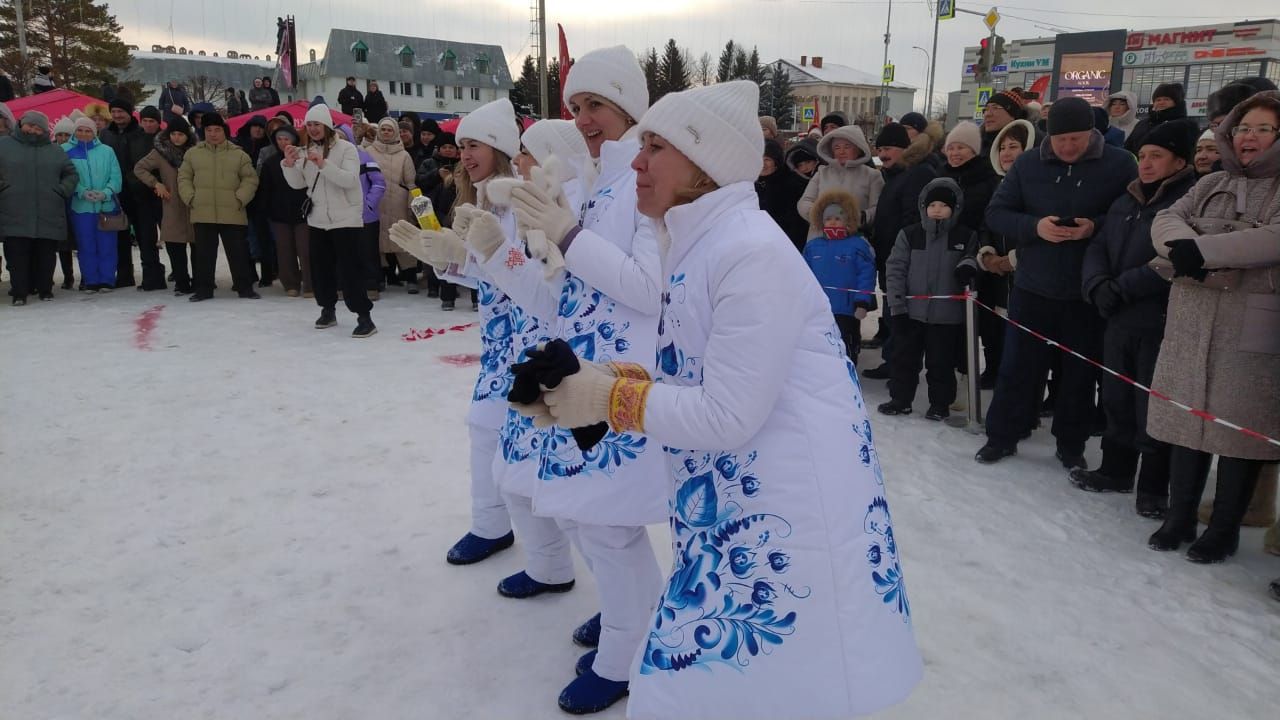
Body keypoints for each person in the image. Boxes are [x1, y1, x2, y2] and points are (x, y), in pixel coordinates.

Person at [521, 79, 922, 720]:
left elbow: (730, 411)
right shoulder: (696, 242)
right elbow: (699, 374)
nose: (637, 161)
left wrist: (611, 400)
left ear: (703, 165)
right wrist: (599, 382)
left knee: (717, 690)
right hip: (735, 504)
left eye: (655, 146)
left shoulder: (749, 252)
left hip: (785, 510)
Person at [460, 53, 668, 712]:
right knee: (586, 519)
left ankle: (631, 648)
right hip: (578, 370)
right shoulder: (599, 186)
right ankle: (628, 621)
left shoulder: (638, 186)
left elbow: (645, 288)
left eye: (594, 106)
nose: (581, 119)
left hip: (619, 375)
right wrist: (496, 256)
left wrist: (569, 235)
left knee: (605, 525)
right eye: (575, 107)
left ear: (629, 109)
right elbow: (560, 303)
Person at [1146, 91, 1280, 564]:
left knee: (1238, 432)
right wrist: (1184, 244)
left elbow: (1272, 237)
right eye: (1244, 128)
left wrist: (1203, 250)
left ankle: (1222, 530)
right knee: (1188, 423)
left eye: (1263, 129)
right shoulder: (1210, 182)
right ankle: (1179, 516)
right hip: (1192, 318)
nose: (1250, 137)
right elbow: (1167, 218)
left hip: (1250, 325)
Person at [976, 96, 1137, 467]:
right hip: (1033, 286)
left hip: (1085, 290)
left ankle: (1071, 445)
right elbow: (997, 212)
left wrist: (1094, 227)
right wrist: (1035, 228)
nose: (1067, 147)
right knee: (1017, 367)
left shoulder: (1118, 163)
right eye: (1061, 139)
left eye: (1076, 139)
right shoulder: (1029, 163)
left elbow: (1131, 215)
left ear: (1093, 134)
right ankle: (1002, 436)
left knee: (1078, 374)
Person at [1072, 118, 1200, 519]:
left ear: (1180, 160)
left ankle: (1152, 487)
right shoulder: (1126, 199)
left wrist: (1124, 286)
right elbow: (1098, 244)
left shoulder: (1189, 200)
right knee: (1116, 398)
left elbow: (1175, 258)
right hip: (1117, 317)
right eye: (1142, 155)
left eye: (1156, 156)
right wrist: (1096, 283)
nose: (1145, 164)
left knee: (1152, 405)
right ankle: (1116, 468)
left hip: (1158, 319)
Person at [879, 179, 977, 420]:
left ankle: (940, 404)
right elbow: (895, 269)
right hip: (911, 312)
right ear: (923, 206)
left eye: (943, 205)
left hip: (947, 316)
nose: (937, 209)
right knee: (904, 360)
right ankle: (900, 399)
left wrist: (968, 266)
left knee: (941, 363)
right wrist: (898, 306)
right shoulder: (909, 234)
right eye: (932, 204)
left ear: (955, 208)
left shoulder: (965, 235)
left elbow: (973, 258)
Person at [282, 104, 376, 337]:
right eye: (309, 125)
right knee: (320, 270)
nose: (313, 129)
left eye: (317, 124)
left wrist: (323, 163)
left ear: (327, 125)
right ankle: (327, 309)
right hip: (318, 220)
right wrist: (288, 165)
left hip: (346, 219)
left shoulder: (346, 149)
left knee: (350, 271)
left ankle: (364, 317)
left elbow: (348, 180)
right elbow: (297, 184)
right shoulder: (306, 150)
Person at [863, 122, 939, 377]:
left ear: (905, 149)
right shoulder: (896, 174)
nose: (883, 154)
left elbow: (912, 221)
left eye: (890, 148)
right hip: (890, 258)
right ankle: (893, 362)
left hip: (905, 260)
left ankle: (900, 368)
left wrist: (900, 255)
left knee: (902, 317)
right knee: (893, 314)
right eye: (880, 148)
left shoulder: (916, 174)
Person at [973, 119, 1036, 389]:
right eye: (1003, 147)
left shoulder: (1037, 185)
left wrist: (1012, 260)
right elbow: (986, 223)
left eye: (1014, 146)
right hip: (994, 270)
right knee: (992, 326)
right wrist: (987, 255)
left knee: (1021, 336)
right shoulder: (998, 184)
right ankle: (994, 369)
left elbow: (1038, 229)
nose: (1007, 153)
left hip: (1024, 272)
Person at [941, 120, 1002, 389]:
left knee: (983, 317)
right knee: (952, 312)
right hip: (945, 251)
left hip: (977, 251)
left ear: (974, 151)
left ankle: (989, 367)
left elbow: (989, 217)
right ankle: (956, 365)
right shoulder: (940, 175)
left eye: (961, 148)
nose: (955, 153)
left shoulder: (987, 178)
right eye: (951, 148)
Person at [178, 111, 260, 301]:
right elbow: (183, 177)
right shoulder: (193, 154)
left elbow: (250, 179)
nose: (213, 134)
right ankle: (203, 290)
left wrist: (239, 199)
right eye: (208, 130)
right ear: (203, 131)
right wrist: (191, 198)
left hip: (232, 211)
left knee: (238, 253)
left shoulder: (238, 154)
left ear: (224, 131)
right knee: (204, 255)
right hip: (202, 211)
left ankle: (244, 288)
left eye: (217, 129)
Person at [0, 111, 78, 304]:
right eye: (30, 126)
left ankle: (45, 289)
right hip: (14, 209)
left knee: (46, 254)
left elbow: (71, 174)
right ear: (21, 124)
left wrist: (61, 190)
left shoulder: (54, 150)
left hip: (48, 210)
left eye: (38, 128)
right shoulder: (4, 145)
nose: (33, 130)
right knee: (17, 255)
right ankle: (19, 292)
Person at [802, 189, 876, 365]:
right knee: (821, 346)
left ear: (848, 221)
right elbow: (803, 275)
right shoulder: (813, 247)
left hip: (847, 309)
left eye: (838, 218)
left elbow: (866, 275)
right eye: (828, 219)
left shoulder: (858, 245)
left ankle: (848, 375)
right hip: (819, 309)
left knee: (846, 346)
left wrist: (862, 302)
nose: (833, 222)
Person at [134, 116, 197, 295]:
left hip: (194, 202)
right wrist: (156, 183)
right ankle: (182, 281)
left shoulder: (197, 151)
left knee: (198, 244)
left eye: (181, 134)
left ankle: (200, 279)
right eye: (173, 134)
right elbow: (139, 168)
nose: (176, 138)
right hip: (172, 203)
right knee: (175, 245)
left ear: (188, 136)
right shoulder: (160, 152)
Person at [63, 117, 122, 292]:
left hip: (106, 207)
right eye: (80, 130)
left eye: (87, 130)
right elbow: (65, 176)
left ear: (94, 132)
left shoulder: (107, 151)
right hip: (81, 207)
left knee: (107, 245)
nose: (83, 134)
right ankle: (91, 280)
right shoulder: (66, 150)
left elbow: (116, 177)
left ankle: (107, 280)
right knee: (86, 245)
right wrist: (81, 191)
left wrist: (106, 192)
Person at [796, 124, 883, 239]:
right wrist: (821, 215)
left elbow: (878, 208)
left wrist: (859, 218)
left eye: (847, 147)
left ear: (858, 149)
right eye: (837, 148)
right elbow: (804, 202)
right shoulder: (822, 173)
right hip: (820, 240)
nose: (841, 151)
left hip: (853, 240)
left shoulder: (872, 176)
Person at [257, 124, 312, 297]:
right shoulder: (270, 163)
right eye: (279, 139)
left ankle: (311, 284)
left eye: (286, 138)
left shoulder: (304, 159)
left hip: (304, 213)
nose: (283, 142)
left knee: (306, 250)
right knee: (284, 250)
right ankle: (291, 283)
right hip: (279, 214)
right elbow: (265, 190)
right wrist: (264, 211)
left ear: (294, 140)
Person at [335, 122, 387, 299]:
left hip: (366, 215)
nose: (337, 141)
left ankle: (371, 285)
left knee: (367, 252)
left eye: (341, 137)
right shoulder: (328, 160)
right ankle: (342, 285)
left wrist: (368, 204)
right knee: (343, 253)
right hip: (339, 216)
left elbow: (379, 183)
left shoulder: (364, 157)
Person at [366, 117, 417, 294]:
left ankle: (410, 277)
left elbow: (411, 182)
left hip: (399, 202)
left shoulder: (404, 155)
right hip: (376, 201)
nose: (386, 133)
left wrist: (411, 204)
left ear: (395, 132)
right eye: (383, 130)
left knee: (403, 239)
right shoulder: (369, 151)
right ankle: (381, 277)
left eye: (389, 130)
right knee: (377, 242)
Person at [233, 114, 275, 286]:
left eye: (261, 127)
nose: (257, 129)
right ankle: (249, 274)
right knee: (243, 239)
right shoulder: (238, 146)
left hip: (262, 199)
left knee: (264, 238)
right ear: (249, 127)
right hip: (241, 198)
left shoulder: (268, 148)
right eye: (254, 126)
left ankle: (267, 275)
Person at [756, 139, 809, 251]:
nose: (762, 164)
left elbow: (797, 223)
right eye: (759, 158)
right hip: (759, 243)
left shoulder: (792, 184)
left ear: (776, 161)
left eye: (767, 159)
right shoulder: (752, 184)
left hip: (787, 244)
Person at [51, 116, 78, 289]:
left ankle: (69, 276)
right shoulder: (50, 151)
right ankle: (52, 275)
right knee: (57, 242)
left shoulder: (75, 151)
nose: (62, 138)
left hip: (73, 199)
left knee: (69, 241)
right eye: (59, 135)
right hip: (54, 200)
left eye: (66, 135)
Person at [1125, 83, 1187, 156]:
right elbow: (1128, 148)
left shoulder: (1184, 125)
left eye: (1166, 99)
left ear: (1176, 102)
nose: (1161, 102)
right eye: (1158, 100)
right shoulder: (1142, 124)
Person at [980, 89, 1026, 157]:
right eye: (986, 109)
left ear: (1012, 115)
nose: (987, 114)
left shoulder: (1029, 142)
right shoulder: (976, 145)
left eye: (995, 108)